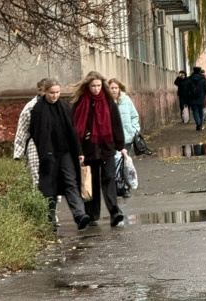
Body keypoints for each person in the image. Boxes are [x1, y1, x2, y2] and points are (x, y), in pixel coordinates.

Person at [29, 78, 91, 232]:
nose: (55, 95)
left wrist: (79, 152)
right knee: (50, 187)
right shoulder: (38, 110)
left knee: (71, 181)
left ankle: (79, 215)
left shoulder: (64, 107)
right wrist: (44, 154)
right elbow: (37, 134)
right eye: (51, 93)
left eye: (57, 92)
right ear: (45, 92)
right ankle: (50, 220)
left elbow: (73, 131)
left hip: (65, 152)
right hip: (48, 155)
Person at [73, 71, 127, 228]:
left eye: (98, 86)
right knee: (92, 180)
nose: (96, 89)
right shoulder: (81, 102)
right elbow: (76, 126)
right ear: (87, 86)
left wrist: (121, 145)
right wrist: (79, 148)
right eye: (93, 86)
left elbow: (116, 123)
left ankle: (114, 212)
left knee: (109, 177)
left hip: (106, 145)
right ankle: (92, 213)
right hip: (89, 147)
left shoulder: (108, 101)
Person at [13, 77, 48, 187]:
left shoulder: (58, 106)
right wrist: (19, 152)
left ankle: (52, 203)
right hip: (35, 142)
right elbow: (22, 128)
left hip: (53, 143)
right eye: (44, 90)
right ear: (39, 90)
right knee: (37, 174)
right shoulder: (31, 107)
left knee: (53, 176)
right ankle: (38, 201)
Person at [185, 66, 206, 131]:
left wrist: (187, 98)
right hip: (201, 97)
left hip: (192, 97)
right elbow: (205, 89)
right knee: (201, 110)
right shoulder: (202, 79)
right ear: (199, 71)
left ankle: (198, 123)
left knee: (195, 111)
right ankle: (200, 124)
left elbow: (186, 90)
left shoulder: (189, 79)